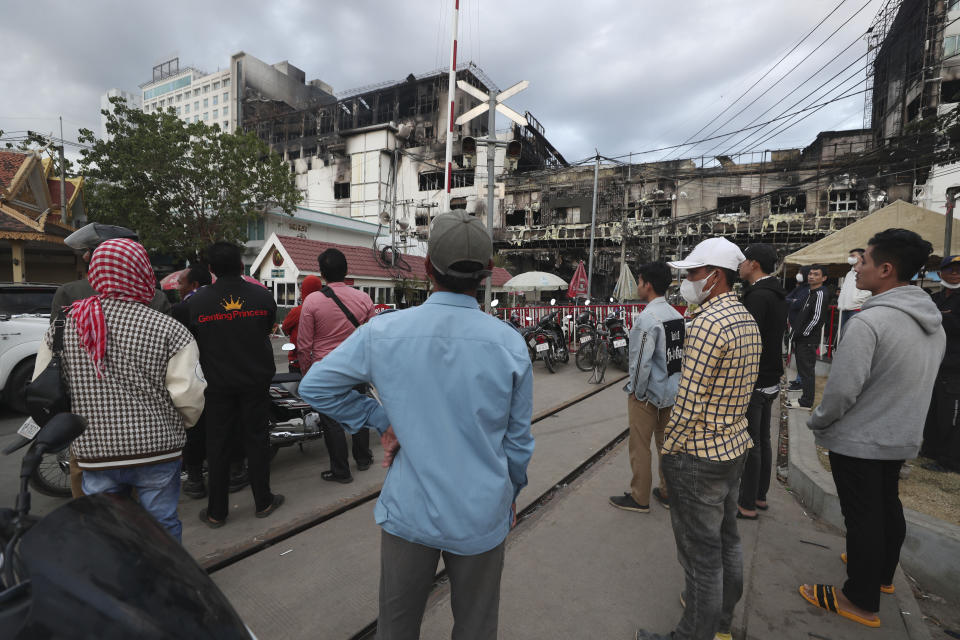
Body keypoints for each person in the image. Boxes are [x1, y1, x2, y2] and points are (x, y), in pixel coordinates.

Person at [299, 211, 534, 640]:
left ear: (427, 269)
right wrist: (510, 493)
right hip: (480, 512)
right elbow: (518, 444)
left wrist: (382, 419)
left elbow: (316, 386)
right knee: (477, 626)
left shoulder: (385, 332)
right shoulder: (509, 344)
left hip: (409, 510)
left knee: (397, 626)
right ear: (484, 275)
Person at [799, 229, 945, 628]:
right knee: (885, 505)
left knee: (862, 517)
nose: (855, 269)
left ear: (886, 269)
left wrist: (818, 420)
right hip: (899, 434)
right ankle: (881, 575)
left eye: (862, 262)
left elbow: (842, 392)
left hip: (861, 439)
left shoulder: (871, 323)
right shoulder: (931, 320)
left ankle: (858, 599)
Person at [34, 239, 206, 541]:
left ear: (96, 273)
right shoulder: (169, 328)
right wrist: (179, 427)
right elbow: (188, 396)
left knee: (108, 531)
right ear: (142, 272)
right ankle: (165, 584)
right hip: (158, 449)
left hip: (94, 453)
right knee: (161, 525)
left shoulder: (63, 326)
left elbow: (43, 386)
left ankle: (117, 584)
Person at [635, 238, 761, 640]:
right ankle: (721, 624)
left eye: (692, 273)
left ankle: (692, 634)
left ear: (715, 276)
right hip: (733, 447)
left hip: (699, 456)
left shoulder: (707, 323)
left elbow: (688, 400)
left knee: (700, 559)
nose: (686, 280)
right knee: (727, 542)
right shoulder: (743, 317)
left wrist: (670, 451)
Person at [51, 223, 172, 498]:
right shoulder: (155, 298)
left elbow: (58, 357)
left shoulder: (69, 293)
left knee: (98, 513)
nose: (84, 257)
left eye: (89, 251)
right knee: (154, 515)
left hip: (88, 425)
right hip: (150, 426)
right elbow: (173, 368)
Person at [187, 241, 283, 527]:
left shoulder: (197, 303)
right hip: (255, 381)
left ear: (210, 269)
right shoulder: (262, 297)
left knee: (217, 445)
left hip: (216, 385)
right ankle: (263, 501)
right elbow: (266, 329)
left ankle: (217, 512)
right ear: (242, 266)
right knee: (257, 441)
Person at [609, 260, 684, 513]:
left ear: (647, 285)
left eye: (639, 281)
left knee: (640, 446)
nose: (638, 286)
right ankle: (667, 492)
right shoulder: (676, 316)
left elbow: (640, 362)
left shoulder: (646, 319)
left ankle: (639, 497)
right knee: (667, 445)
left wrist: (638, 393)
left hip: (649, 395)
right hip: (672, 393)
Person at [297, 249, 376, 483]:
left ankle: (341, 471)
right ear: (346, 271)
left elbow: (303, 345)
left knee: (332, 421)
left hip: (325, 370)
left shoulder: (311, 301)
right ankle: (363, 459)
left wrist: (306, 372)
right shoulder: (364, 299)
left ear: (322, 273)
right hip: (355, 368)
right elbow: (372, 337)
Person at [736, 244, 788, 519]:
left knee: (751, 442)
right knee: (764, 440)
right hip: (771, 377)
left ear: (754, 264)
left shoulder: (757, 297)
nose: (741, 265)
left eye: (744, 260)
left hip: (755, 379)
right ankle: (760, 496)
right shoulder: (777, 293)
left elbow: (748, 341)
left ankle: (746, 503)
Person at [171, 265, 213, 499]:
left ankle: (196, 480)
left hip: (191, 377)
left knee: (194, 427)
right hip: (221, 375)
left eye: (181, 283)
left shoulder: (182, 309)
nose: (178, 287)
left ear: (194, 285)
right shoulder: (222, 301)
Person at [920, 254, 960, 472]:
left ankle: (950, 460)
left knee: (950, 414)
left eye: (958, 270)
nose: (954, 274)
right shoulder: (935, 298)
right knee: (933, 409)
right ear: (941, 272)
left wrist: (941, 318)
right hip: (936, 362)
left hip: (955, 366)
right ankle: (931, 449)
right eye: (950, 269)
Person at [786, 264, 828, 410]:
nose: (811, 276)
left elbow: (816, 318)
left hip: (808, 340)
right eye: (810, 274)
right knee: (803, 370)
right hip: (801, 338)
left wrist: (803, 333)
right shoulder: (810, 292)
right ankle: (805, 399)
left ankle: (806, 402)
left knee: (807, 371)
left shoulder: (820, 293)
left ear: (824, 278)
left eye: (816, 274)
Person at [280, 275, 324, 373]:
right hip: (319, 362)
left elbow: (285, 328)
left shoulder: (297, 311)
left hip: (298, 362)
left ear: (304, 291)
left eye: (301, 291)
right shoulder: (325, 310)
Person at [785, 266, 811, 391]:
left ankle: (801, 382)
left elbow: (799, 303)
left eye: (800, 273)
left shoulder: (808, 290)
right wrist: (792, 301)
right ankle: (798, 380)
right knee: (798, 356)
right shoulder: (800, 288)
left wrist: (793, 301)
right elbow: (787, 299)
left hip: (802, 327)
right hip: (794, 325)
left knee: (802, 357)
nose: (798, 274)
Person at [838, 248, 871, 327]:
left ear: (862, 257)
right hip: (844, 309)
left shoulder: (867, 271)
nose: (850, 258)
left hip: (857, 309)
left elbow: (869, 291)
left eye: (853, 256)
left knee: (854, 334)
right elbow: (844, 290)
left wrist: (855, 301)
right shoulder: (849, 273)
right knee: (844, 334)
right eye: (850, 256)